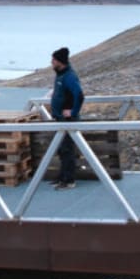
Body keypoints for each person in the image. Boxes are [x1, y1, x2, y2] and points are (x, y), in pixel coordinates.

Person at [49, 46, 84, 191]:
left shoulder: (69, 76)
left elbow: (79, 94)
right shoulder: (60, 74)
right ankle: (62, 176)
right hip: (59, 119)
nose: (51, 62)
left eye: (54, 60)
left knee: (68, 149)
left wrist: (73, 111)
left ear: (60, 62)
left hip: (68, 120)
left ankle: (69, 180)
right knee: (62, 149)